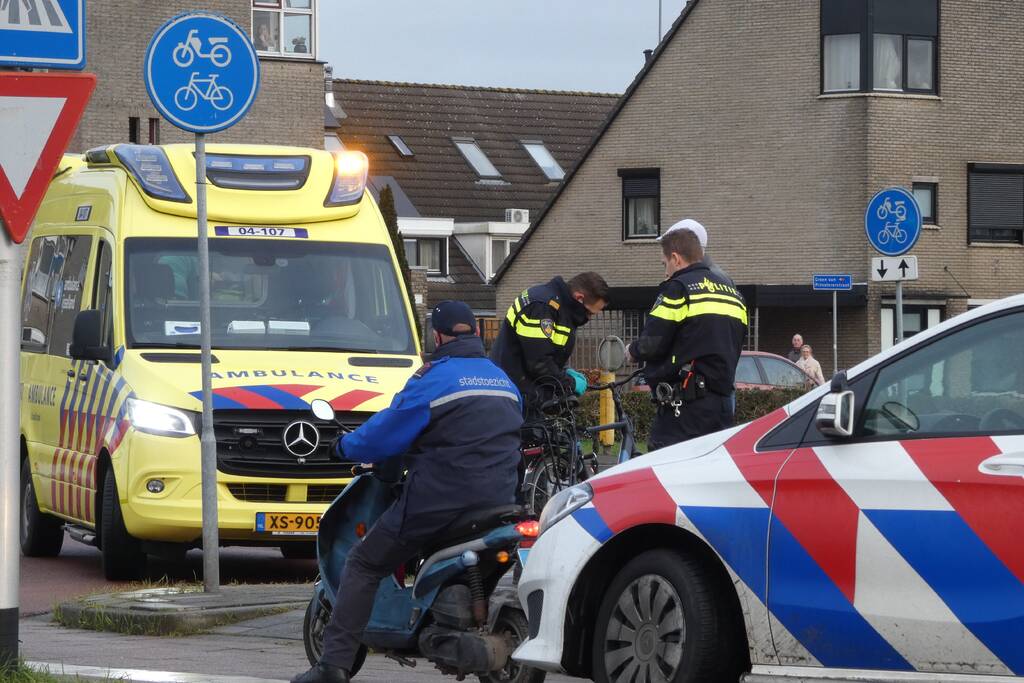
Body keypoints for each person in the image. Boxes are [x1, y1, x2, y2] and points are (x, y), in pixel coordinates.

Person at [290, 300, 523, 683]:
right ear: (478, 333)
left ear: (436, 336)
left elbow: (386, 432)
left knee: (364, 563)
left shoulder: (433, 380)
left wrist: (343, 447)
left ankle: (332, 666)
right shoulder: (504, 381)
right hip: (501, 502)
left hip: (440, 502)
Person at [626, 222, 747, 451]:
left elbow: (652, 343)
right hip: (722, 407)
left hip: (684, 408)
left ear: (676, 258)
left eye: (665, 264)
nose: (665, 272)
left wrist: (632, 351)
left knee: (662, 471)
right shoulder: (734, 294)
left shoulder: (678, 289)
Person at [490, 272, 609, 414]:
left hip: (526, 394)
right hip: (513, 397)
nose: (588, 318)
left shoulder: (560, 309)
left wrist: (563, 371)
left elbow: (550, 352)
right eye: (589, 313)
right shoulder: (543, 307)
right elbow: (539, 363)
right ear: (579, 298)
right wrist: (569, 383)